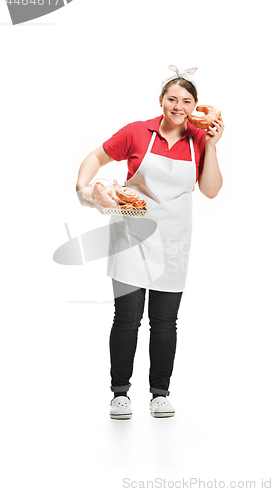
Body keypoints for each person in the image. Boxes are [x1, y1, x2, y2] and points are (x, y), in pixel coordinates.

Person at [76, 66, 224, 419]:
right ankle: (120, 394)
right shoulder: (136, 132)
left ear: (195, 106)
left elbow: (211, 190)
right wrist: (82, 186)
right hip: (131, 236)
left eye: (187, 101)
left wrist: (214, 147)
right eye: (172, 98)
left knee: (165, 322)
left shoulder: (198, 140)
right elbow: (97, 155)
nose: (179, 106)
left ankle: (160, 392)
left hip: (174, 242)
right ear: (161, 101)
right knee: (127, 318)